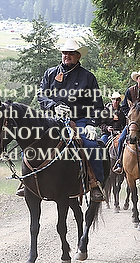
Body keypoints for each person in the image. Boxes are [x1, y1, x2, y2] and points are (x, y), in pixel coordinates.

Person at [31, 38, 105, 201]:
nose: (67, 56)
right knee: (31, 141)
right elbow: (41, 95)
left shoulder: (88, 77)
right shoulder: (50, 73)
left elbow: (97, 105)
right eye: (65, 53)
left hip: (79, 121)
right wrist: (53, 106)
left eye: (71, 53)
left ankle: (95, 184)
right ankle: (27, 181)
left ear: (78, 56)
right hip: (52, 120)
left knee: (92, 146)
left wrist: (91, 124)